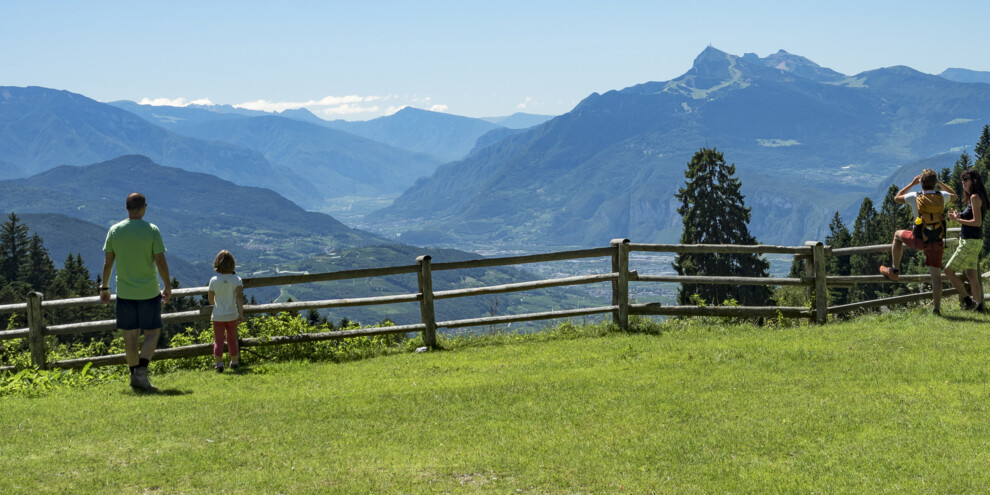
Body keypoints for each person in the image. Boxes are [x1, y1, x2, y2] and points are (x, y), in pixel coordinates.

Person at [100, 193, 171, 392]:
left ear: (127, 208)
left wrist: (105, 287)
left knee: (130, 338)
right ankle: (141, 373)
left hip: (124, 293)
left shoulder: (115, 231)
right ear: (143, 208)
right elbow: (160, 261)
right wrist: (167, 285)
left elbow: (108, 263)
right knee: (152, 332)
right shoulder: (152, 230)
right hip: (148, 292)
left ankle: (134, 376)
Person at [880, 169, 956, 315]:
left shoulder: (915, 196)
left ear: (921, 183)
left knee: (897, 235)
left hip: (919, 240)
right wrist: (939, 182)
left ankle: (894, 270)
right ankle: (937, 309)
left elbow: (897, 198)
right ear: (934, 183)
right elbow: (955, 196)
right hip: (937, 241)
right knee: (936, 277)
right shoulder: (942, 196)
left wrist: (912, 183)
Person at [945, 169, 988, 311]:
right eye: (962, 180)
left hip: (970, 241)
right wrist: (959, 216)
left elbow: (977, 222)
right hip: (973, 241)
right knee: (971, 275)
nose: (962, 182)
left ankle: (968, 301)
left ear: (974, 181)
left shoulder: (975, 197)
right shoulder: (976, 197)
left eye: (965, 179)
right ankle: (978, 306)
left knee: (948, 271)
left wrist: (958, 219)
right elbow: (971, 218)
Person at [208, 250, 243, 372]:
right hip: (232, 314)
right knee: (232, 339)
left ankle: (219, 364)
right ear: (233, 264)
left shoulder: (213, 280)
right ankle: (234, 361)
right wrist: (241, 313)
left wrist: (216, 305)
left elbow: (210, 298)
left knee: (218, 340)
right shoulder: (237, 279)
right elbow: (239, 297)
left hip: (218, 315)